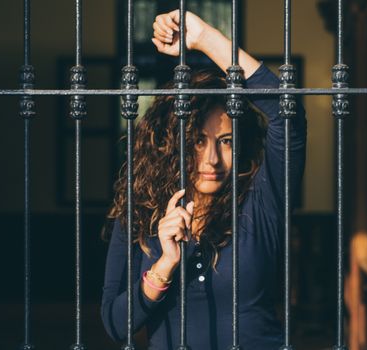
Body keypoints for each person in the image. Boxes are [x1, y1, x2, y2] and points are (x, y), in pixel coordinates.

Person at [101, 10, 307, 350]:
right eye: (197, 140)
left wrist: (203, 39)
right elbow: (114, 324)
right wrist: (164, 266)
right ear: (171, 142)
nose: (211, 159)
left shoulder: (262, 201)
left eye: (225, 141)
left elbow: (287, 111)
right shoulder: (141, 214)